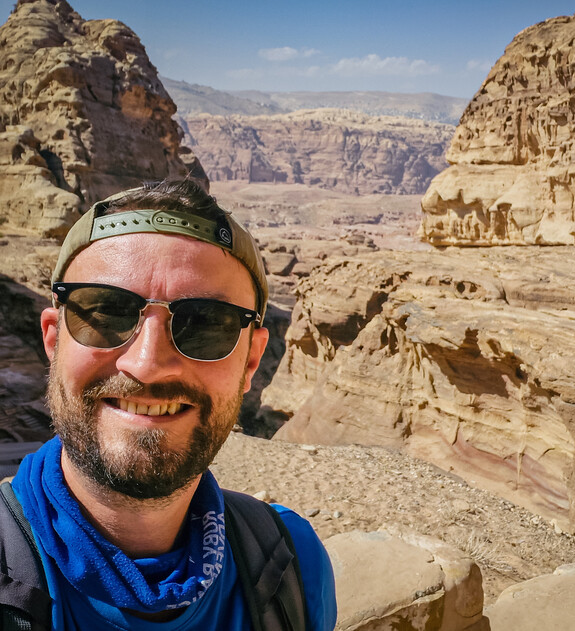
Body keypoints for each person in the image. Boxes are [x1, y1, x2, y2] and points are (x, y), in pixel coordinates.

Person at [5, 179, 337, 630]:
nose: (148, 365)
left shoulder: (290, 564)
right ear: (53, 338)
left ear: (252, 362)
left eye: (205, 324)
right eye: (105, 312)